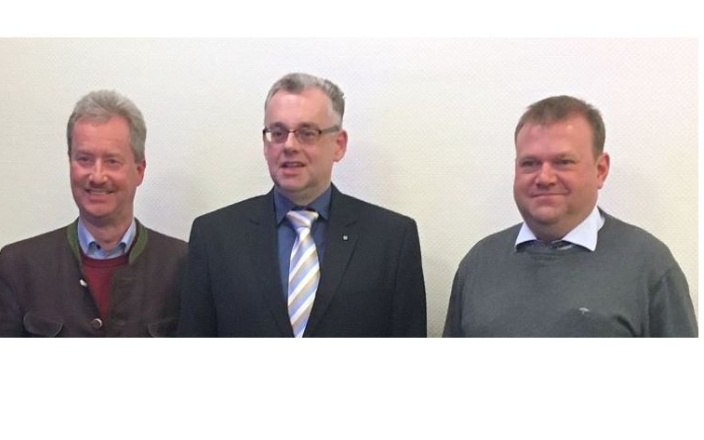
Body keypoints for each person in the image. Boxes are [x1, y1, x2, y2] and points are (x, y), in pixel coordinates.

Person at [178, 72, 426, 337]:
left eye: (307, 133)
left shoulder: (392, 240)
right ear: (265, 144)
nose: (289, 145)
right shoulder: (215, 237)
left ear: (339, 145)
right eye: (277, 133)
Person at [444, 95, 697, 337]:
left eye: (563, 162)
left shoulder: (649, 266)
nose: (544, 178)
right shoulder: (480, 263)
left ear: (600, 170)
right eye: (530, 163)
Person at [0, 90, 187, 337]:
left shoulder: (184, 265)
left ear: (139, 170)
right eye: (84, 159)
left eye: (112, 161)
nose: (97, 176)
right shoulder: (20, 266)